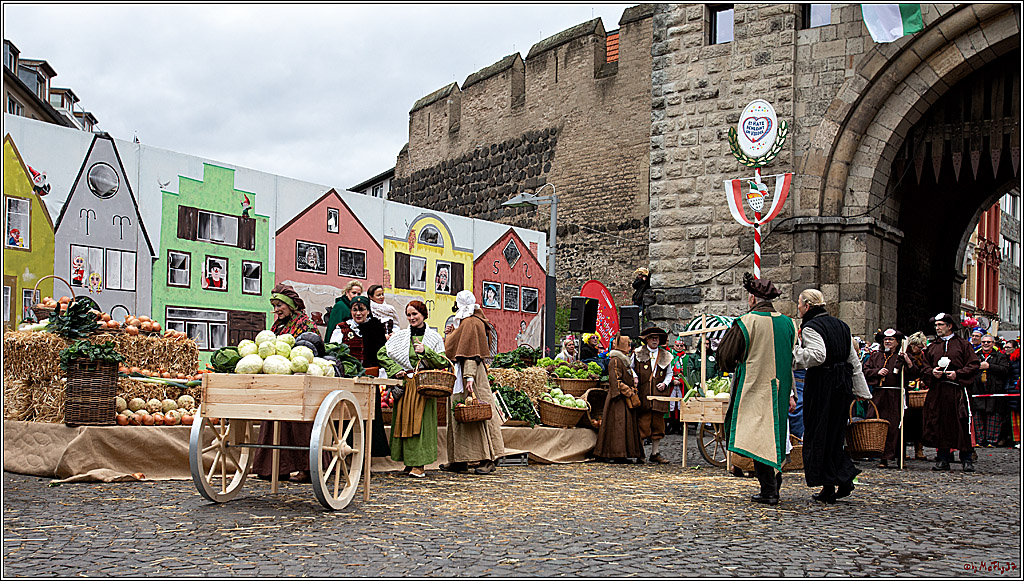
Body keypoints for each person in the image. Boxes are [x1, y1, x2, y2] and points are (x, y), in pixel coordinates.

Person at [717, 273, 796, 506]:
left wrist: (732, 364)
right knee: (774, 436)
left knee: (759, 437)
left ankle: (769, 490)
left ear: (752, 298)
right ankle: (773, 485)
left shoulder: (746, 322)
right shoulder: (789, 324)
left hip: (754, 387)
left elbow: (726, 355)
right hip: (780, 388)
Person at [793, 288, 871, 504]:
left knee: (818, 433)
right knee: (834, 434)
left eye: (799, 303)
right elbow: (853, 360)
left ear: (807, 305)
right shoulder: (842, 326)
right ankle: (836, 482)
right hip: (841, 385)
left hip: (822, 385)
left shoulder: (811, 327)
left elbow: (818, 355)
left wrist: (793, 355)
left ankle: (835, 481)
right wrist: (861, 390)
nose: (798, 307)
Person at [252, 284, 321, 483]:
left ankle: (307, 468)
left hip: (299, 381)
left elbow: (312, 350)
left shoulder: (306, 324)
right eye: (274, 306)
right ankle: (272, 468)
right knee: (272, 419)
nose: (276, 309)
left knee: (299, 425)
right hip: (279, 380)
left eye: (279, 305)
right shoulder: (277, 326)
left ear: (290, 305)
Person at [377, 300, 448, 478]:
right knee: (404, 423)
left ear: (424, 314)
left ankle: (419, 464)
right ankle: (409, 462)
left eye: (415, 314)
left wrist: (426, 351)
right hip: (406, 385)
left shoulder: (434, 338)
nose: (411, 318)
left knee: (420, 424)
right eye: (408, 315)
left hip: (424, 386)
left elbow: (442, 361)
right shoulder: (401, 336)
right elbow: (382, 353)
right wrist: (395, 370)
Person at [442, 290, 505, 475]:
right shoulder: (467, 322)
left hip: (471, 375)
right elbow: (458, 346)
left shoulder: (471, 322)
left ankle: (488, 459)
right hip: (461, 374)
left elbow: (472, 352)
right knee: (460, 416)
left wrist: (469, 377)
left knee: (478, 416)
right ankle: (459, 460)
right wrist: (451, 334)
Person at [920, 312, 980, 471]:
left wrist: (957, 374)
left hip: (957, 391)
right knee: (940, 423)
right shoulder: (933, 347)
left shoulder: (963, 345)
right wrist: (932, 372)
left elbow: (973, 364)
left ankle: (966, 458)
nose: (937, 328)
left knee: (961, 423)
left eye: (940, 325)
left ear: (950, 326)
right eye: (936, 325)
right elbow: (924, 367)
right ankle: (943, 458)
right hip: (939, 391)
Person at [332, 295, 390, 457]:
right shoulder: (342, 328)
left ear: (368, 311)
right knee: (348, 414)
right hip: (349, 380)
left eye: (362, 310)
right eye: (354, 310)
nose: (358, 313)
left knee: (369, 415)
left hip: (369, 379)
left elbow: (382, 353)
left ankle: (369, 452)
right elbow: (334, 352)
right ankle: (347, 449)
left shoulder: (376, 327)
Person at [863, 328, 913, 468]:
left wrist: (908, 362)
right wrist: (877, 372)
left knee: (897, 426)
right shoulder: (875, 356)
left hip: (896, 395)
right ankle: (882, 457)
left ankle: (899, 456)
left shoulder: (902, 356)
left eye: (891, 339)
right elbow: (865, 370)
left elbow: (913, 373)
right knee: (880, 425)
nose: (888, 342)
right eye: (886, 339)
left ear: (897, 342)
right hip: (879, 396)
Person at [594, 334, 645, 463]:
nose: (630, 347)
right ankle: (615, 454)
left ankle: (623, 453)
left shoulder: (623, 360)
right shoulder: (615, 361)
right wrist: (629, 392)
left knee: (623, 426)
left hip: (624, 400)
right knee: (617, 426)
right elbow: (616, 380)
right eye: (627, 345)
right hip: (617, 400)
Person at [630, 326, 673, 464]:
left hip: (659, 395)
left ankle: (655, 453)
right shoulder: (638, 353)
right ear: (647, 339)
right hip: (644, 393)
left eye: (657, 338)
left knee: (658, 424)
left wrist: (665, 383)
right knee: (643, 423)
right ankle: (640, 453)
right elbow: (630, 368)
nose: (655, 340)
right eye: (652, 338)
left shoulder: (665, 355)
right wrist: (635, 377)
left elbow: (670, 373)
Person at [971, 334, 1009, 448]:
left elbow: (1005, 370)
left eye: (988, 342)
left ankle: (991, 441)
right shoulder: (975, 355)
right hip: (977, 390)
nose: (986, 344)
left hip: (994, 390)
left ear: (993, 343)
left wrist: (989, 366)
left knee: (994, 416)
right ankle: (979, 440)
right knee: (978, 416)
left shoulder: (1000, 356)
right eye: (984, 342)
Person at [903, 332, 930, 460]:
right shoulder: (905, 354)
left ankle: (919, 448)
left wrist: (923, 380)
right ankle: (903, 449)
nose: (919, 349)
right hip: (907, 392)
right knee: (906, 422)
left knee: (919, 423)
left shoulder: (923, 356)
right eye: (918, 347)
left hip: (920, 392)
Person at [666, 335, 689, 435]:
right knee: (671, 404)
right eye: (677, 346)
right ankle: (671, 425)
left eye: (681, 346)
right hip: (672, 382)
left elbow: (687, 372)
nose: (679, 347)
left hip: (681, 383)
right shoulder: (669, 356)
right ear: (674, 346)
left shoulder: (686, 358)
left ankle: (680, 425)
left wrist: (681, 381)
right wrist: (672, 380)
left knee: (681, 404)